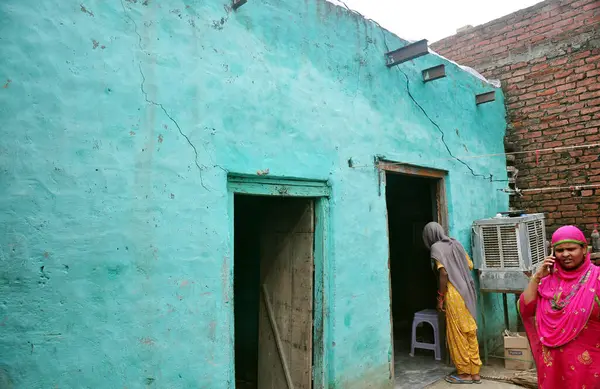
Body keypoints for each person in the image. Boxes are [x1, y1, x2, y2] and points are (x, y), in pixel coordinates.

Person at [520, 225, 600, 389]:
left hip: (588, 367)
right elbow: (526, 308)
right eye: (559, 250)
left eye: (571, 249)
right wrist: (536, 278)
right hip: (552, 366)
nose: (565, 254)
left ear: (584, 249)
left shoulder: (596, 278)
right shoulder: (547, 282)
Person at [423, 222, 482, 384]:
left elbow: (443, 273)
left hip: (454, 293)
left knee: (457, 334)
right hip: (468, 291)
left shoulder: (437, 248)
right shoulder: (455, 243)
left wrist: (440, 297)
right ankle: (475, 372)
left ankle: (464, 374)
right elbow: (469, 265)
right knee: (470, 330)